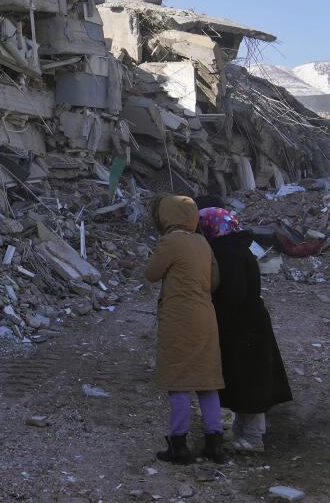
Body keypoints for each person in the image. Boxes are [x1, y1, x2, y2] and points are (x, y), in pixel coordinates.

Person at [197, 206, 293, 453]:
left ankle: (253, 437)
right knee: (246, 379)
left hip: (242, 326)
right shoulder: (237, 246)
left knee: (248, 380)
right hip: (250, 322)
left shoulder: (226, 251)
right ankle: (243, 432)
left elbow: (232, 293)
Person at [144, 195, 226, 464]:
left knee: (178, 382)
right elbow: (214, 281)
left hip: (179, 319)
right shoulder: (203, 242)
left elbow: (152, 273)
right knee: (207, 382)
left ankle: (178, 447)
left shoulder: (171, 241)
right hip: (205, 316)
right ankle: (215, 444)